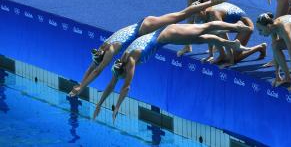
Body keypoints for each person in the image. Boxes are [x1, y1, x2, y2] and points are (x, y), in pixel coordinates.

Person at [68, 0, 230, 97]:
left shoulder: (109, 50)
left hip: (144, 28)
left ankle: (211, 2)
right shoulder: (104, 45)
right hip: (142, 24)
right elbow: (92, 67)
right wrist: (80, 84)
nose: (98, 58)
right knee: (179, 14)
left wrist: (82, 87)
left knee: (180, 15)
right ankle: (205, 3)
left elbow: (97, 70)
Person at [92, 20, 253, 122]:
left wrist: (118, 107)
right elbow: (112, 84)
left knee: (206, 28)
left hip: (169, 35)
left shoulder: (131, 61)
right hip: (167, 34)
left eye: (123, 75)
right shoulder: (123, 60)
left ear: (124, 71)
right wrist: (100, 104)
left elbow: (125, 87)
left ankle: (237, 26)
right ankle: (233, 44)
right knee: (205, 37)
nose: (125, 76)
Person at [193, 1, 267, 66]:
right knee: (214, 31)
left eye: (196, 15)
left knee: (232, 58)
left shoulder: (214, 14)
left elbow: (224, 38)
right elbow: (209, 34)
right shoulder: (206, 13)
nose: (195, 18)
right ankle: (222, 55)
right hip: (236, 25)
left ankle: (260, 47)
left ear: (202, 11)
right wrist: (211, 55)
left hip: (246, 26)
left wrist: (231, 61)